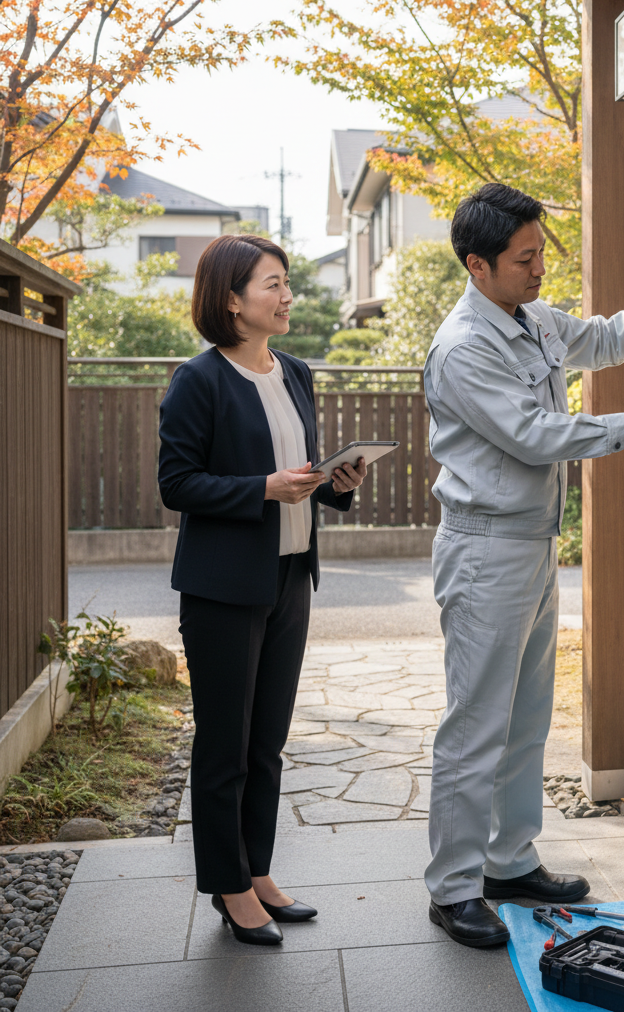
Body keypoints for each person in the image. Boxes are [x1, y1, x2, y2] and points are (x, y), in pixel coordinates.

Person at [422, 183, 624, 946]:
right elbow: (533, 432)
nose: (539, 270)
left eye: (541, 254)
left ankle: (508, 860)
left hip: (528, 544)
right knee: (476, 724)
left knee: (522, 721)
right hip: (484, 549)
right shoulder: (464, 346)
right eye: (525, 259)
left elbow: (593, 337)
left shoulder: (527, 320)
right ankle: (454, 888)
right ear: (477, 265)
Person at [158, 234, 367, 945]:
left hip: (289, 573)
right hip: (222, 587)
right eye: (272, 284)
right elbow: (176, 484)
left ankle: (257, 870)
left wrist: (334, 483)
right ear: (231, 301)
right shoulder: (200, 380)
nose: (286, 296)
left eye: (285, 282)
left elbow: (298, 472)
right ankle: (226, 885)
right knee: (224, 743)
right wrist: (264, 489)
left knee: (267, 743)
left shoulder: (295, 373)